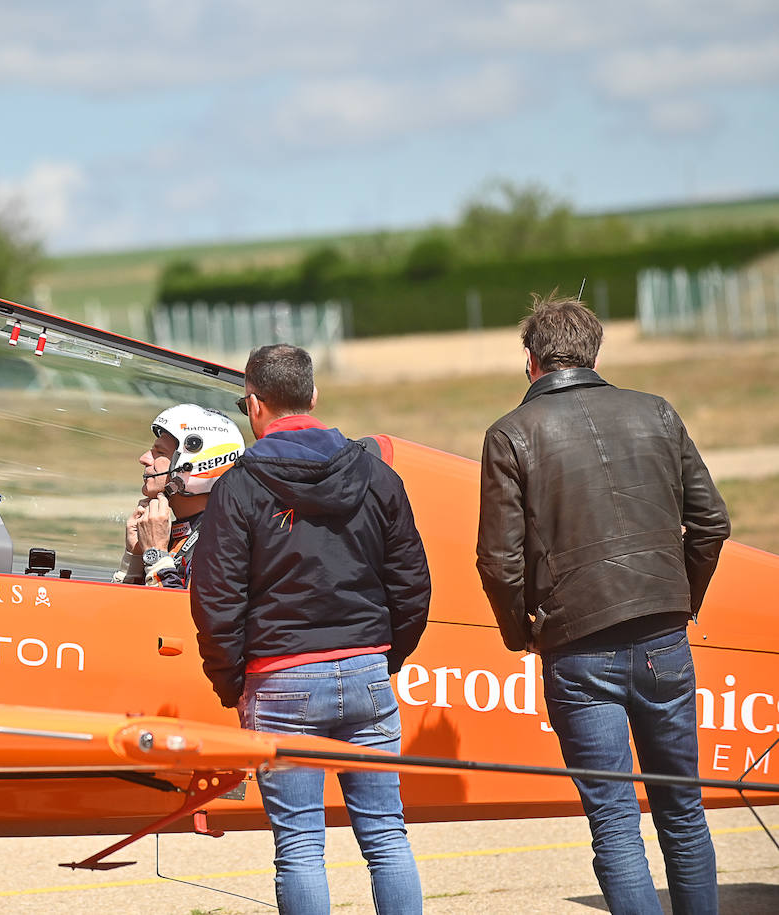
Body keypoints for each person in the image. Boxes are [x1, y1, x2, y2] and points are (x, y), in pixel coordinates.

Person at [475, 293, 730, 915]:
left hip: (576, 646)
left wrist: (520, 633)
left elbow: (499, 560)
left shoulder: (510, 433)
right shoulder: (658, 412)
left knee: (614, 822)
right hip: (664, 637)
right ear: (592, 353)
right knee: (682, 809)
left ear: (531, 360)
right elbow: (712, 523)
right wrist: (680, 601)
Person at [190, 343, 430, 914]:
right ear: (314, 396)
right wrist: (384, 659)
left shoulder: (238, 487)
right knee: (387, 836)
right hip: (367, 671)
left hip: (280, 680)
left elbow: (216, 601)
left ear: (254, 405)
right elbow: (413, 584)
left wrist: (232, 683)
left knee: (299, 847)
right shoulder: (376, 474)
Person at [114, 404, 245, 588]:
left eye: (159, 453)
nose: (144, 458)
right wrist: (134, 559)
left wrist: (157, 556)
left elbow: (181, 615)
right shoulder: (177, 534)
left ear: (192, 464)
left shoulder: (221, 543)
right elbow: (125, 612)